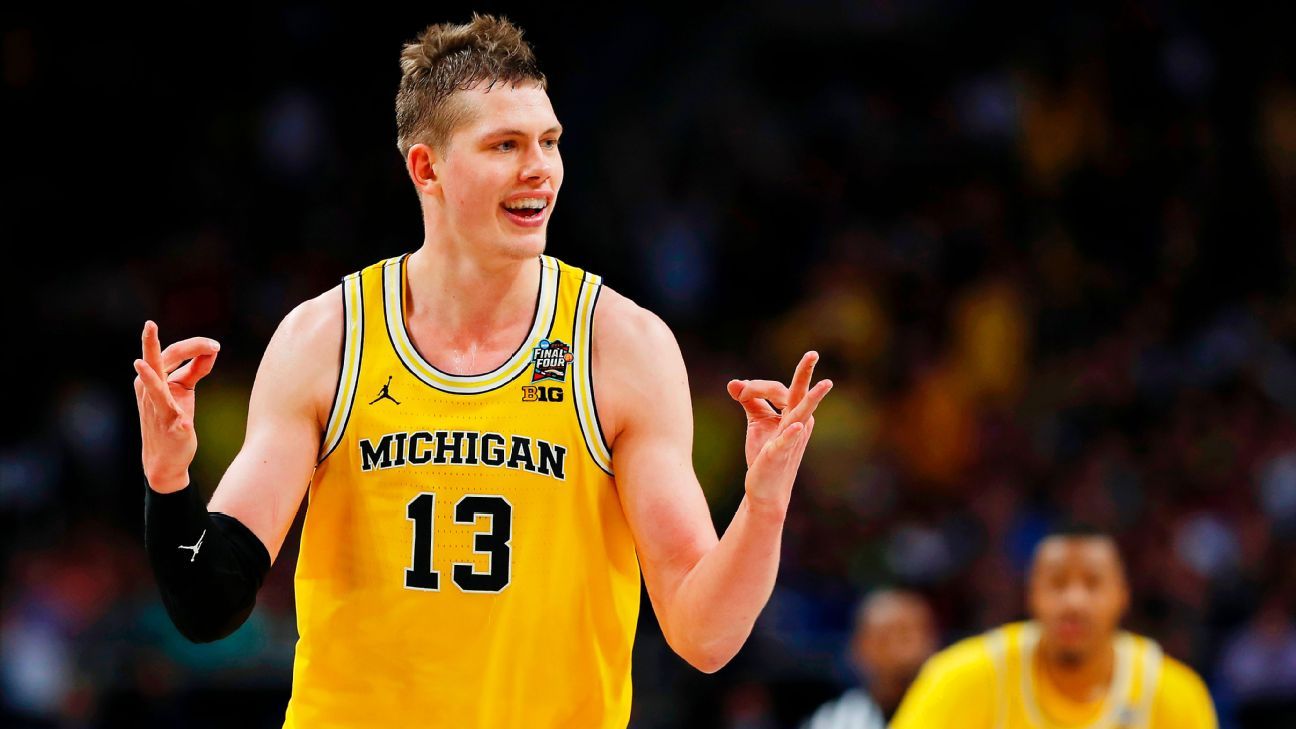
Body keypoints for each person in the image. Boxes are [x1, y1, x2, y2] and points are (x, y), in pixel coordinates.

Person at [129, 14, 832, 729]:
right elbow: (209, 604)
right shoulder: (327, 339)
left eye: (549, 141)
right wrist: (168, 477)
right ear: (427, 168)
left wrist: (763, 507)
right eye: (505, 145)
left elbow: (704, 636)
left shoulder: (621, 345)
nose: (540, 168)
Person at [890, 525, 1218, 729]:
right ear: (1031, 596)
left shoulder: (1171, 693)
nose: (1074, 602)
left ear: (1122, 596)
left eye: (1092, 583)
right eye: (1057, 583)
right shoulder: (963, 676)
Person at [801, 589, 937, 729]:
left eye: (905, 637)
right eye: (883, 640)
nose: (895, 649)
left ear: (930, 641)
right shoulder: (830, 720)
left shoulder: (948, 708)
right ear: (858, 647)